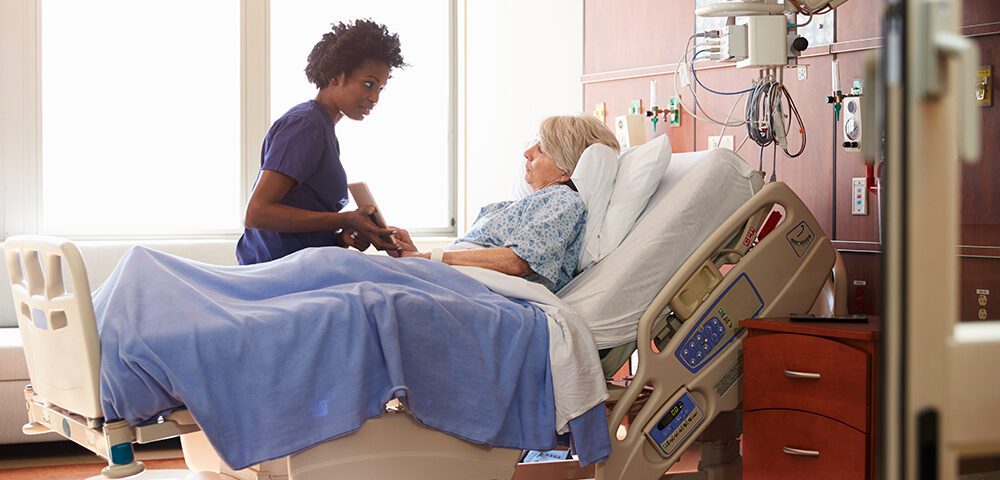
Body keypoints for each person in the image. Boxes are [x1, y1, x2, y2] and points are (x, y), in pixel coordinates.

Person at [237, 19, 406, 265]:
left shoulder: (322, 128)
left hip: (301, 265)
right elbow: (257, 213)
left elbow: (300, 220)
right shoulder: (306, 126)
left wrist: (341, 238)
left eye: (381, 88)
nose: (374, 97)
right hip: (278, 272)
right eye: (368, 84)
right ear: (336, 77)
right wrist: (344, 219)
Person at [393, 115, 620, 292]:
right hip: (457, 282)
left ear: (565, 171)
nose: (526, 153)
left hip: (479, 293)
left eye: (541, 150)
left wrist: (429, 259)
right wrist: (416, 255)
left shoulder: (563, 200)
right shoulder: (526, 204)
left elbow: (518, 261)